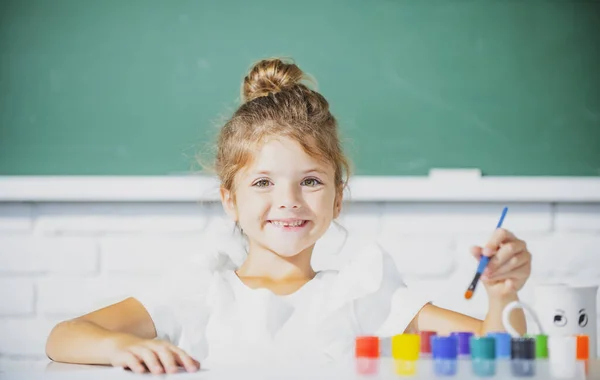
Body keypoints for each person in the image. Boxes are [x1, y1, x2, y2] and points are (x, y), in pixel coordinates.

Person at [46, 58, 531, 374]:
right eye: (262, 183)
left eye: (311, 181)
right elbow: (62, 337)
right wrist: (117, 349)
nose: (289, 200)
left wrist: (502, 294)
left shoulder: (362, 292)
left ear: (338, 199)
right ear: (229, 200)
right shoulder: (200, 288)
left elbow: (500, 352)